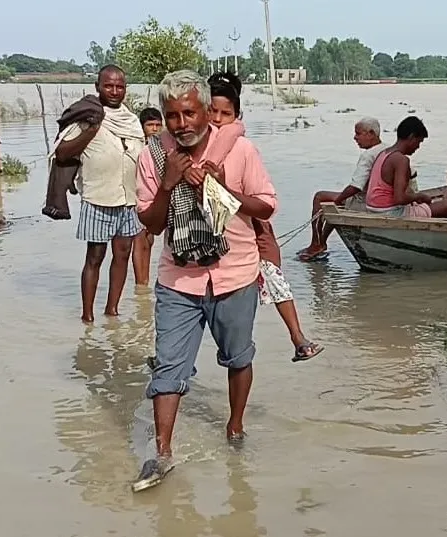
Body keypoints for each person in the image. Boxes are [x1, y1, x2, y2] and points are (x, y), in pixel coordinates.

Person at [133, 69, 277, 491]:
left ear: (206, 112)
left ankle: (235, 427)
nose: (182, 124)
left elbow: (266, 207)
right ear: (164, 116)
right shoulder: (153, 156)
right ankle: (161, 454)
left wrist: (221, 187)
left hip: (234, 275)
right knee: (168, 368)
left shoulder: (240, 150)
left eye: (190, 113)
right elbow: (152, 224)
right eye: (173, 115)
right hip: (179, 279)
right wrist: (169, 183)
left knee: (238, 356)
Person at [157, 71, 322, 362]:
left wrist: (221, 187)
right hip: (206, 254)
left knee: (273, 276)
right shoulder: (182, 147)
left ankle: (297, 336)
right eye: (215, 113)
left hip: (250, 230)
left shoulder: (238, 143)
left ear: (237, 114)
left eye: (226, 113)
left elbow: (264, 203)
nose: (219, 120)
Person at [54, 65, 144, 322]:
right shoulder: (87, 117)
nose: (114, 91)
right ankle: (87, 317)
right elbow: (62, 152)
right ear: (97, 87)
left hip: (128, 200)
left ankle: (112, 310)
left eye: (120, 86)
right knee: (95, 256)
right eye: (109, 86)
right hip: (99, 199)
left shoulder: (132, 121)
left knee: (123, 255)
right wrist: (92, 130)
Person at [297, 117, 384, 262]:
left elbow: (356, 186)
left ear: (371, 133)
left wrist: (338, 200)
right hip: (376, 197)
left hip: (365, 202)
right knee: (336, 201)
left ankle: (316, 243)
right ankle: (321, 242)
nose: (355, 138)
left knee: (320, 197)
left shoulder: (368, 155)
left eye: (358, 134)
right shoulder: (385, 149)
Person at [365, 116, 447, 218]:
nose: (418, 147)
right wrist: (420, 196)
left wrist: (415, 198)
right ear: (412, 137)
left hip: (373, 208)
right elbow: (399, 199)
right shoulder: (401, 160)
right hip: (390, 212)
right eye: (419, 142)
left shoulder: (384, 153)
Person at [131, 107, 164, 288]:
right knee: (140, 239)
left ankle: (144, 282)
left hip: (153, 197)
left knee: (148, 239)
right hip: (137, 198)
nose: (154, 129)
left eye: (158, 125)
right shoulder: (138, 146)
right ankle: (141, 284)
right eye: (150, 125)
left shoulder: (160, 147)